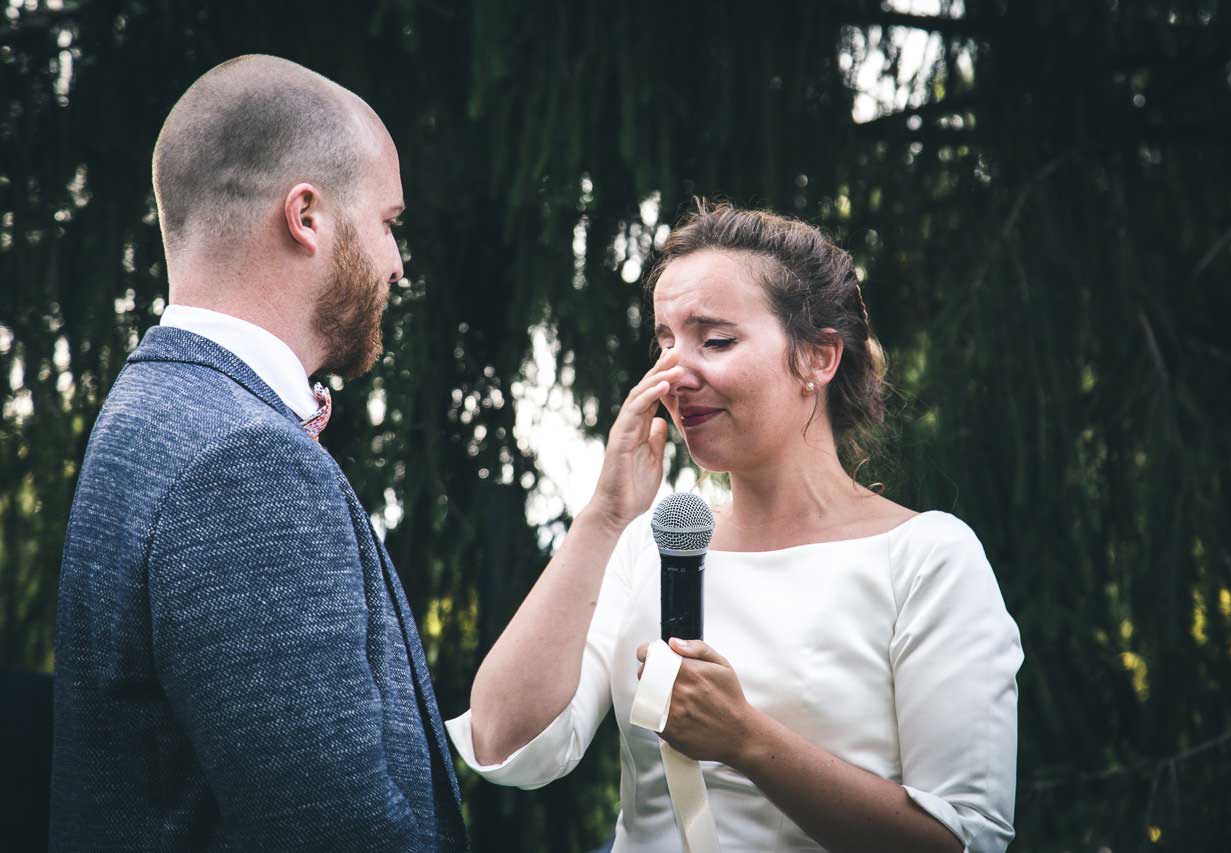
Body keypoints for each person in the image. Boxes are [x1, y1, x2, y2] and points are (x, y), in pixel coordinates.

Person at [446, 201, 1023, 852]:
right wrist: (605, 515)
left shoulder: (927, 558)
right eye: (664, 341)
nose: (674, 374)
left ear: (818, 358)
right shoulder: (645, 545)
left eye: (714, 340)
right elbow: (504, 742)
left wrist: (745, 738)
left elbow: (962, 840)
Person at [49, 55, 465, 851]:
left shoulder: (164, 402)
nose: (397, 265)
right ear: (306, 216)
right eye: (388, 223)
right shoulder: (243, 462)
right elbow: (337, 833)